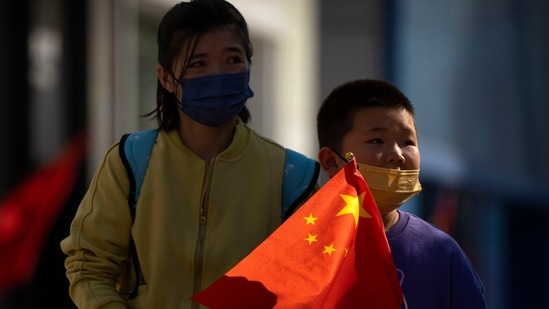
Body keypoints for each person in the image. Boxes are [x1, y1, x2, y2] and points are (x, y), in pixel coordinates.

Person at [60, 0, 319, 308]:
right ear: (166, 78)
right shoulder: (129, 162)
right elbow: (89, 267)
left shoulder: (294, 176)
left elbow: (311, 283)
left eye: (233, 59)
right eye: (199, 64)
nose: (219, 74)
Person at [316, 79, 487, 308]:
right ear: (331, 161)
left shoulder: (440, 251)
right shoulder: (302, 245)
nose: (397, 154)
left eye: (408, 142)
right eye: (377, 140)